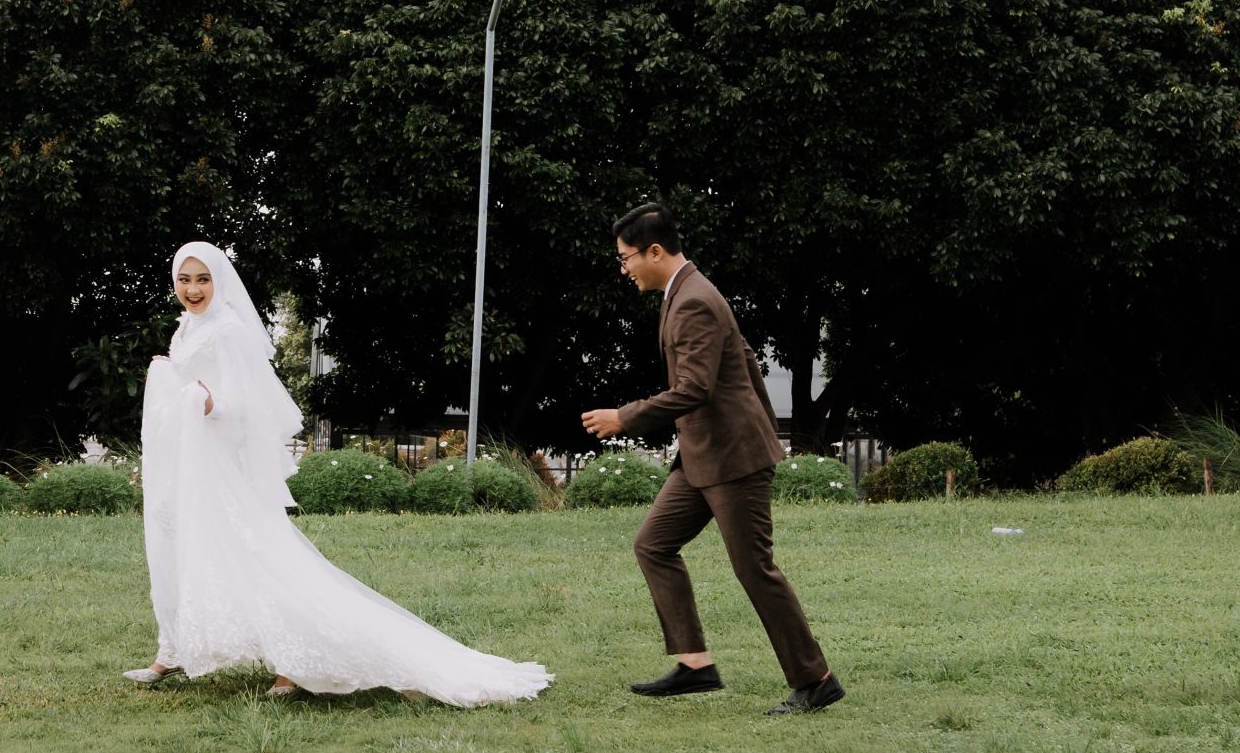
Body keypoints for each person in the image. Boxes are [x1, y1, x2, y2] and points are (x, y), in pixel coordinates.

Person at [124, 241, 551, 706]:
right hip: (197, 466)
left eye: (203, 279)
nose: (193, 289)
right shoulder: (188, 327)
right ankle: (173, 649)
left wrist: (205, 402)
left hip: (226, 471)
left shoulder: (227, 331)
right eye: (184, 280)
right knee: (184, 548)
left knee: (263, 558)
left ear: (219, 281)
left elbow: (247, 406)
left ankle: (292, 662)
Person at [581, 203, 843, 715]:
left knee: (755, 570)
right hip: (703, 455)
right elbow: (745, 360)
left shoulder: (694, 300)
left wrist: (625, 417)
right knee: (653, 545)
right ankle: (695, 663)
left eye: (626, 257)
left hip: (733, 460)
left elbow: (694, 389)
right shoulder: (684, 293)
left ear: (655, 251)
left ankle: (816, 680)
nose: (624, 268)